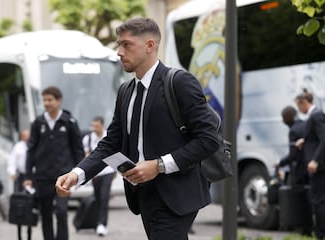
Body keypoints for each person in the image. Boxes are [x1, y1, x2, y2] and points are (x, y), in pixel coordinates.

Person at [56, 17, 220, 240]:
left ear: (149, 45)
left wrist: (159, 166)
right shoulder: (126, 91)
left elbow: (208, 140)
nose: (119, 52)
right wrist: (77, 174)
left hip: (177, 193)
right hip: (143, 194)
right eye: (118, 45)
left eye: (126, 44)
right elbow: (111, 143)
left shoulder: (180, 82)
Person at [24, 86, 84, 240]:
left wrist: (80, 174)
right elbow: (31, 150)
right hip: (42, 177)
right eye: (44, 100)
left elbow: (77, 149)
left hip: (63, 176)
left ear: (59, 101)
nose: (46, 103)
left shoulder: (69, 121)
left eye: (50, 100)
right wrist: (28, 175)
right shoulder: (38, 122)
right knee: (45, 213)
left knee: (62, 212)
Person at [295, 90, 325, 239]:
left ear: (303, 102)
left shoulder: (316, 115)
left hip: (319, 167)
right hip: (317, 165)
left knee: (318, 201)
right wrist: (305, 141)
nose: (298, 110)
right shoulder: (314, 115)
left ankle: (321, 235)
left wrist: (316, 160)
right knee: (318, 200)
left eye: (298, 106)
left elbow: (324, 138)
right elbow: (316, 138)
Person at [82, 116, 115, 236]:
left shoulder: (109, 136)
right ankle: (96, 222)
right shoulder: (88, 138)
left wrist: (115, 171)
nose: (94, 128)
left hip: (108, 171)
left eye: (96, 126)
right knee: (97, 198)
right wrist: (90, 172)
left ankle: (102, 224)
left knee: (104, 198)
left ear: (102, 125)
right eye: (93, 126)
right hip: (95, 174)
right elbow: (87, 156)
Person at [7, 129, 31, 240]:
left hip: (32, 177)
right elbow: (12, 161)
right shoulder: (18, 147)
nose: (26, 138)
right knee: (20, 203)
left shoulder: (34, 144)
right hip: (21, 177)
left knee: (30, 204)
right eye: (24, 136)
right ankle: (19, 233)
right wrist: (12, 173)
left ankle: (29, 231)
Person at [277, 106, 308, 185]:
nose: (283, 121)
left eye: (283, 118)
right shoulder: (305, 124)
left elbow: (293, 154)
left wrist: (280, 162)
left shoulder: (293, 131)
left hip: (300, 169)